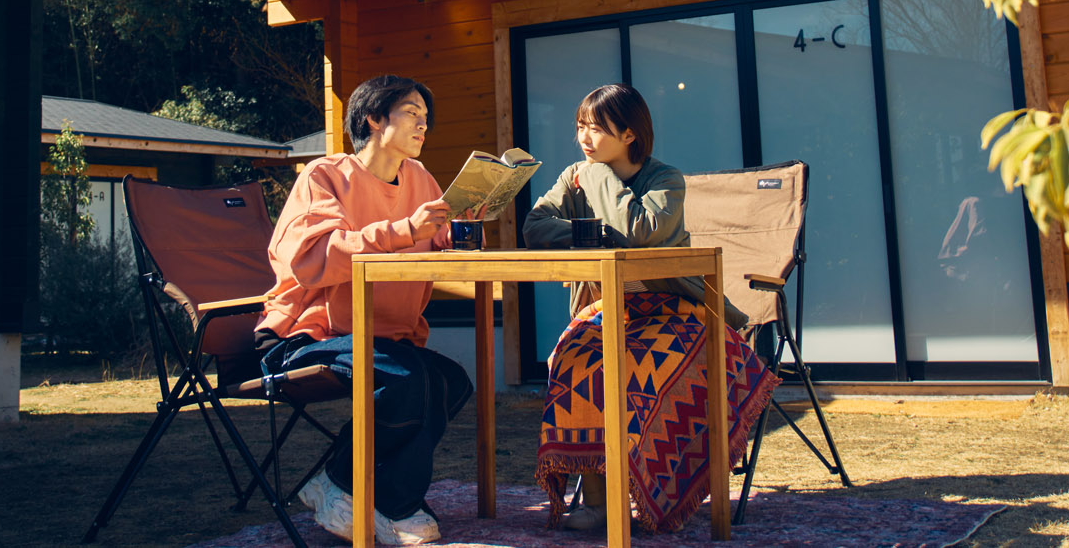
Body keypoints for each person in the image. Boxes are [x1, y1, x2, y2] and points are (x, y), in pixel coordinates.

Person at [522, 83, 778, 533]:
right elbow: (536, 227)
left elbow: (642, 231)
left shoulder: (664, 180)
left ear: (629, 135)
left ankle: (656, 490)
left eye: (597, 128)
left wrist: (599, 178)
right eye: (580, 126)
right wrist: (597, 236)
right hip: (610, 307)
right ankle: (600, 502)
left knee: (636, 366)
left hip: (678, 311)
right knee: (575, 357)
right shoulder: (571, 177)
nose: (584, 138)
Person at [258, 75, 470, 546]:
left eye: (426, 118)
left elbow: (436, 243)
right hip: (309, 335)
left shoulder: (422, 179)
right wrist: (403, 230)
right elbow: (318, 256)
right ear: (374, 119)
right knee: (407, 381)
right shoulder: (323, 176)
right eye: (412, 114)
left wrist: (463, 223)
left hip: (385, 337)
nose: (423, 126)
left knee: (452, 381)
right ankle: (392, 503)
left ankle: (342, 485)